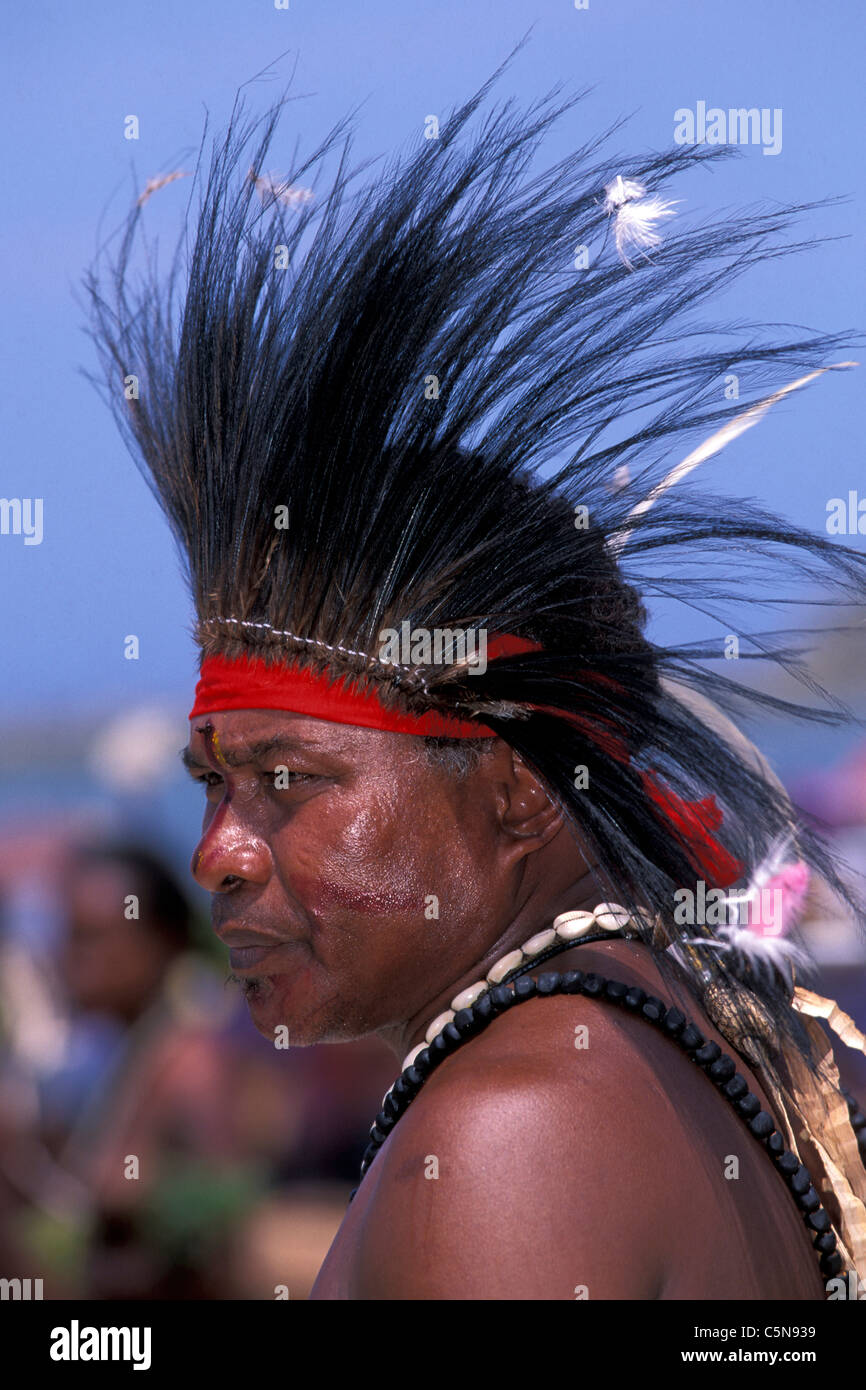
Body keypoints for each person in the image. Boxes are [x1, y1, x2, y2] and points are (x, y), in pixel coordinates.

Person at [84, 53, 866, 1299]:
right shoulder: (636, 1031)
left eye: (287, 777)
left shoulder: (513, 1127)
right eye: (214, 783)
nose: (217, 854)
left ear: (513, 791)